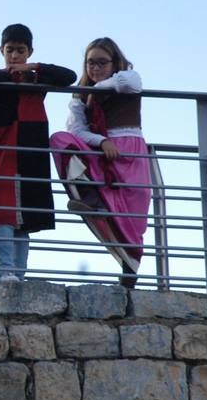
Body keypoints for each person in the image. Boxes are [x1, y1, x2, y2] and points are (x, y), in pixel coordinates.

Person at [0, 23, 76, 280]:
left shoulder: (37, 78)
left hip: (30, 150)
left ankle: (20, 274)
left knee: (25, 218)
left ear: (30, 52)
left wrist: (33, 69)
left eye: (20, 51)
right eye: (10, 50)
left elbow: (69, 76)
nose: (15, 56)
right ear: (1, 51)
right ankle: (6, 271)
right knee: (3, 213)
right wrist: (14, 75)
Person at [49, 38, 151, 288]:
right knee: (60, 140)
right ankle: (88, 195)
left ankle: (129, 272)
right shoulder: (80, 96)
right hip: (104, 149)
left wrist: (95, 90)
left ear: (114, 62)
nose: (95, 68)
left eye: (102, 62)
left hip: (131, 150)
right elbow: (77, 130)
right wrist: (102, 141)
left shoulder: (127, 79)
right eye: (90, 63)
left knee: (133, 216)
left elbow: (129, 81)